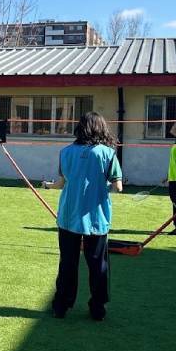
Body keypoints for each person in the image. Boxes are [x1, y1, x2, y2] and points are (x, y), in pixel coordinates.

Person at [49, 112, 123, 321]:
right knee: (98, 264)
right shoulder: (108, 153)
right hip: (96, 218)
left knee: (68, 262)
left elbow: (61, 182)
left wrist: (48, 186)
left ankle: (61, 306)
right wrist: (103, 186)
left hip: (68, 216)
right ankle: (97, 308)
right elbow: (118, 186)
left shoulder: (66, 152)